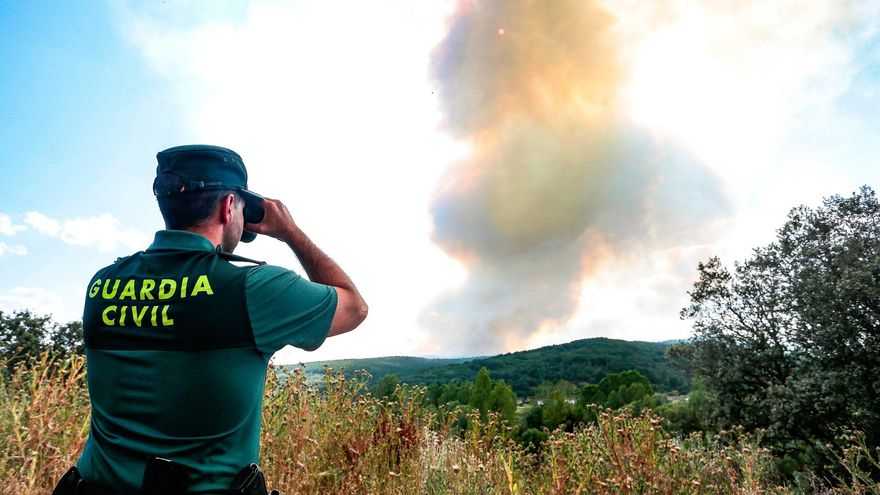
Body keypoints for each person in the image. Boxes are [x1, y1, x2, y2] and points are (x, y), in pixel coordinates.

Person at [52, 144, 368, 494]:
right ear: (229, 206)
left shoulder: (102, 284)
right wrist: (289, 232)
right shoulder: (253, 287)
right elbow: (354, 307)